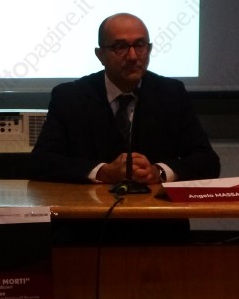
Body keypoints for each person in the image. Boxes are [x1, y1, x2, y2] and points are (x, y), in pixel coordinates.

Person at [30, 12, 220, 244]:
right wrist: (102, 172)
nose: (133, 56)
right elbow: (41, 162)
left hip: (159, 229)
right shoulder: (71, 97)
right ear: (100, 55)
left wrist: (158, 172)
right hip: (87, 230)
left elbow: (207, 161)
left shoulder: (171, 94)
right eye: (120, 47)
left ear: (149, 49)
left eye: (140, 45)